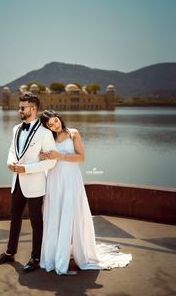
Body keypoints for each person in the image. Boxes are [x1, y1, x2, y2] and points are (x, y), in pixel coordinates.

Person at [39, 110, 132, 275]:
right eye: (50, 125)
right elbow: (42, 158)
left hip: (71, 179)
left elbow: (81, 157)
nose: (55, 125)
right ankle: (55, 257)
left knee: (71, 213)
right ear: (47, 127)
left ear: (59, 117)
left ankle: (76, 254)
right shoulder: (47, 138)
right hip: (54, 179)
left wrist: (60, 155)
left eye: (55, 121)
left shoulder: (73, 133)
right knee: (55, 215)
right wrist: (43, 156)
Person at [0, 93, 56, 272]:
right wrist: (10, 162)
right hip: (16, 182)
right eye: (20, 107)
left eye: (22, 107)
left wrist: (26, 169)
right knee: (14, 219)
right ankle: (10, 253)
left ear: (33, 109)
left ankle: (35, 257)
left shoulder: (45, 133)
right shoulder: (16, 129)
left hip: (35, 184)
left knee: (36, 222)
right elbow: (12, 150)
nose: (19, 110)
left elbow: (51, 162)